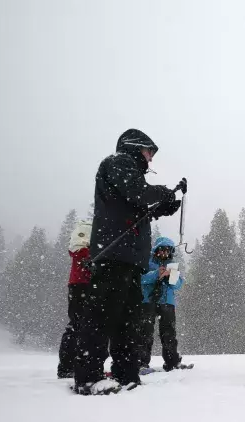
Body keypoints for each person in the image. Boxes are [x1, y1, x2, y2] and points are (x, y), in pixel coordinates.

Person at [73, 128, 186, 395]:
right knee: (103, 316)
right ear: (136, 147)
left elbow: (136, 205)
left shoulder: (129, 173)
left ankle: (126, 373)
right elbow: (137, 192)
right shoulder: (118, 162)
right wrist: (161, 193)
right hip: (113, 255)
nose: (150, 159)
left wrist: (163, 205)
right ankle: (88, 377)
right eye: (149, 152)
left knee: (128, 319)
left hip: (130, 260)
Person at [138, 236, 192, 373]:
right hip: (148, 301)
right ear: (156, 250)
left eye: (167, 250)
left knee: (169, 333)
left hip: (167, 302)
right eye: (161, 250)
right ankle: (141, 362)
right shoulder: (147, 263)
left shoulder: (172, 266)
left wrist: (170, 276)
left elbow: (177, 285)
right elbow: (139, 279)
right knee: (145, 332)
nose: (164, 253)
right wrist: (156, 274)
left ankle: (172, 362)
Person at [57, 218, 92, 379]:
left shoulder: (91, 230)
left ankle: (76, 365)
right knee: (77, 325)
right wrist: (92, 255)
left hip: (84, 284)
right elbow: (76, 250)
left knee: (82, 325)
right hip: (81, 284)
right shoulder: (86, 229)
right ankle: (66, 366)